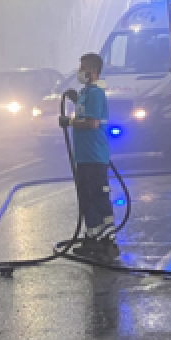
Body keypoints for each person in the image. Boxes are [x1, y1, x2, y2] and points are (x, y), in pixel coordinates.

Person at [70, 53, 118, 259]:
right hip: (84, 156)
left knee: (97, 196)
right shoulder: (86, 93)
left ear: (94, 71)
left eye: (84, 68)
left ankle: (106, 239)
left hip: (94, 156)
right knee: (86, 198)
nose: (80, 72)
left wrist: (69, 122)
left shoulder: (97, 93)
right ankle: (92, 237)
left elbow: (92, 123)